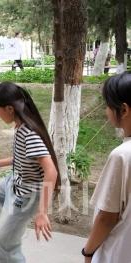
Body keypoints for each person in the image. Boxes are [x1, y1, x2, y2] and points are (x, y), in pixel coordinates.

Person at [0, 82, 59, 262]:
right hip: (13, 182)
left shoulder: (30, 134)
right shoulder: (20, 126)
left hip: (26, 195)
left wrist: (42, 212)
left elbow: (51, 171)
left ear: (10, 108)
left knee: (3, 241)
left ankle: (2, 250)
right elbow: (25, 156)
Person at [82, 72, 131, 263]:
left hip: (118, 253)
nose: (106, 111)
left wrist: (88, 252)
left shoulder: (122, 155)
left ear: (124, 110)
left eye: (107, 105)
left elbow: (107, 218)